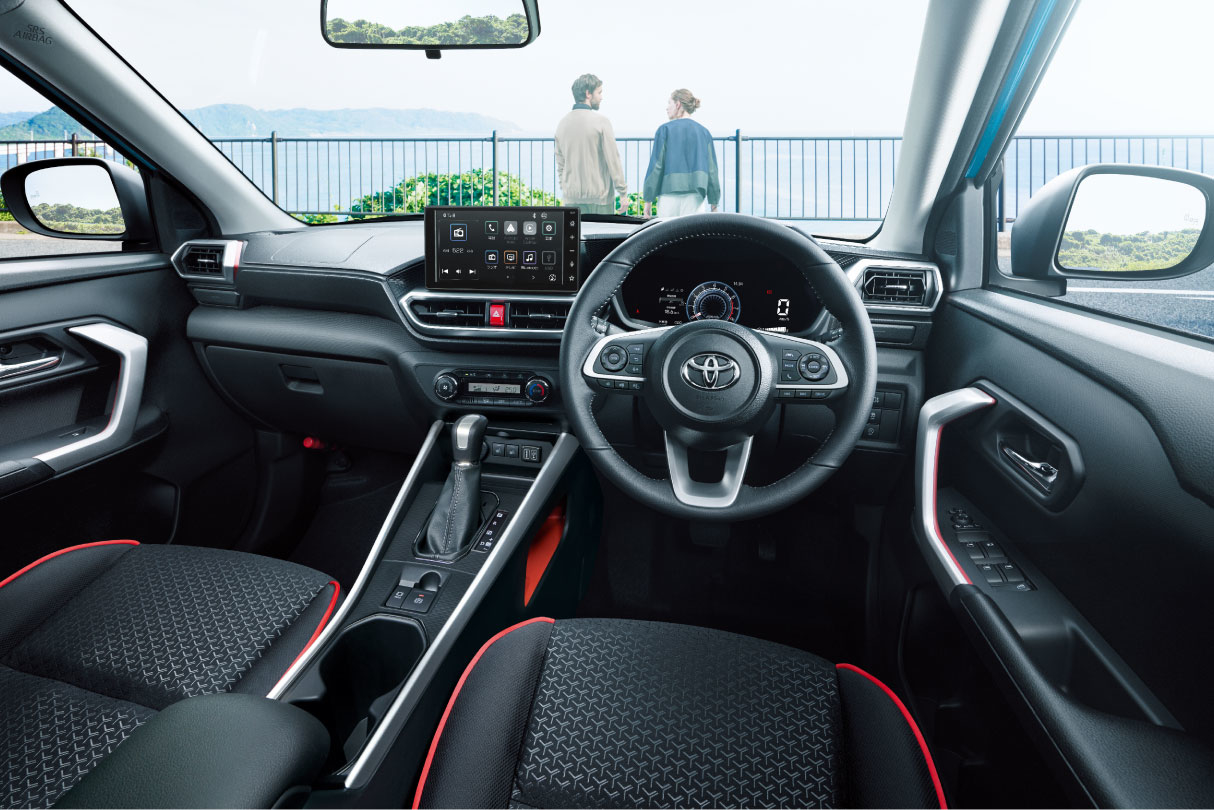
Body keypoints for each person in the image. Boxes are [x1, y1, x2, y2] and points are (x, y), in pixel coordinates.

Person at [554, 73, 630, 216]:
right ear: (588, 94)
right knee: (601, 231)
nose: (601, 97)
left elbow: (560, 164)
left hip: (571, 198)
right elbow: (613, 160)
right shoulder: (601, 122)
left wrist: (565, 188)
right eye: (599, 92)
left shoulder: (562, 124)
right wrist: (623, 193)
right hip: (600, 199)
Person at [642, 89, 721, 218]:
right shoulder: (704, 133)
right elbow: (712, 170)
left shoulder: (664, 130)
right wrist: (714, 203)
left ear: (678, 104)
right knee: (692, 231)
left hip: (668, 196)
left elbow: (656, 167)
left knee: (667, 231)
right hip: (695, 197)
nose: (667, 108)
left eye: (669, 103)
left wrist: (648, 201)